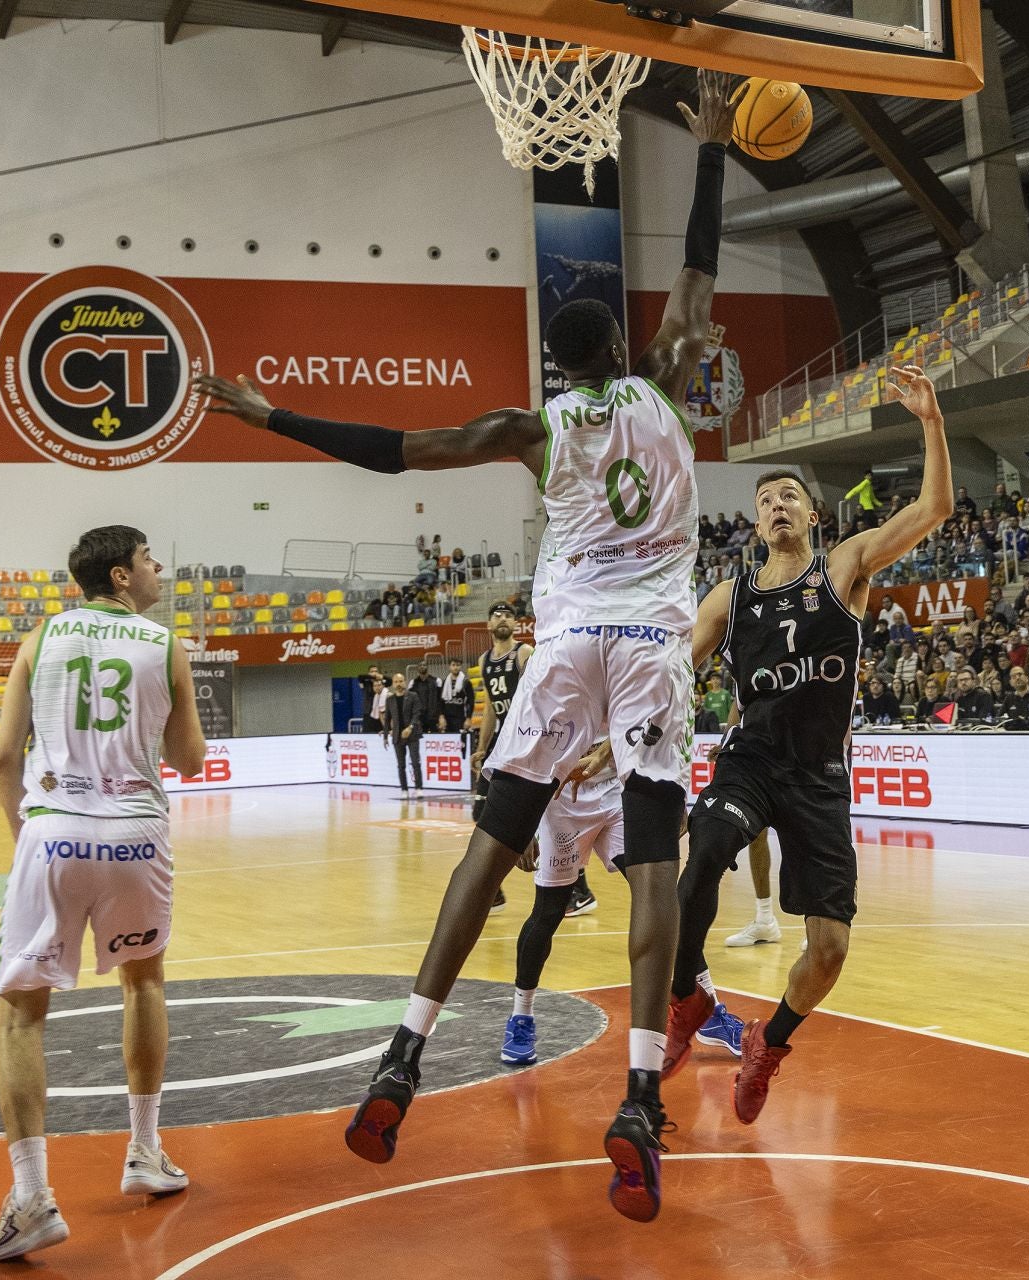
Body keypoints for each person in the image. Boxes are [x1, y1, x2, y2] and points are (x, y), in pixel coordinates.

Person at [195, 70, 735, 1223]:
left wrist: (270, 413)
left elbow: (400, 448)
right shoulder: (673, 383)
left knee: (487, 854)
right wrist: (712, 155)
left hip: (568, 641)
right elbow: (696, 282)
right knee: (651, 868)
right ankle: (639, 1093)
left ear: (562, 365)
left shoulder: (533, 427)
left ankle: (401, 1054)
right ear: (633, 350)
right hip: (648, 649)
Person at [664, 364, 951, 1127]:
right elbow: (673, 668)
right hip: (752, 760)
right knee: (702, 863)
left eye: (788, 495)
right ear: (757, 527)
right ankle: (686, 1000)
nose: (775, 505)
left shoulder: (846, 566)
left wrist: (929, 420)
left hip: (820, 775)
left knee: (827, 952)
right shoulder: (731, 595)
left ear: (813, 515)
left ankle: (769, 1043)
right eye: (764, 502)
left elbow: (935, 506)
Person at [0, 526, 207, 1262]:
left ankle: (33, 1197)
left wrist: (28, 836)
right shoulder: (162, 641)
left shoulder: (39, 639)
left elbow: (2, 756)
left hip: (54, 830)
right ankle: (144, 1150)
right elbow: (190, 760)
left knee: (19, 1015)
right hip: (137, 834)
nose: (158, 567)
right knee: (144, 984)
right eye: (148, 559)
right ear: (119, 574)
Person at [502, 745, 745, 1067]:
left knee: (661, 901)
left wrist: (673, 799)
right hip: (561, 801)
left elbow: (650, 734)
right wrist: (520, 818)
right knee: (548, 911)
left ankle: (708, 1009)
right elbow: (526, 739)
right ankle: (522, 1017)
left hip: (617, 795)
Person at [473, 600, 535, 914]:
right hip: (500, 743)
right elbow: (488, 711)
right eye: (496, 614)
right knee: (479, 813)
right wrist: (482, 748)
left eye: (508, 615)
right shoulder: (484, 660)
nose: (502, 618)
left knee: (535, 813)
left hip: (525, 739)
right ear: (488, 624)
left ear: (516, 624)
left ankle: (575, 887)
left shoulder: (524, 654)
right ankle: (494, 891)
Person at [386, 672, 425, 796]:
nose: (398, 684)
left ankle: (419, 788)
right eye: (396, 682)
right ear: (393, 684)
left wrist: (410, 727)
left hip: (412, 734)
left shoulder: (413, 696)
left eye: (401, 681)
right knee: (401, 765)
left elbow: (417, 713)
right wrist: (386, 735)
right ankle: (404, 789)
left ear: (405, 682)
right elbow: (387, 718)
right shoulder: (390, 699)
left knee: (415, 762)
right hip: (397, 735)